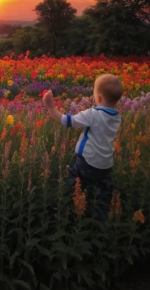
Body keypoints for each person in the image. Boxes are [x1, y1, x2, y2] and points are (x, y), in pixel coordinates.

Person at [42, 74, 123, 220]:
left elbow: (67, 121)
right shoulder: (117, 117)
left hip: (87, 161)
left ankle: (66, 213)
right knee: (102, 194)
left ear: (98, 98)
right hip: (106, 165)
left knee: (73, 185)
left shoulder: (93, 114)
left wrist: (51, 107)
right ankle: (100, 221)